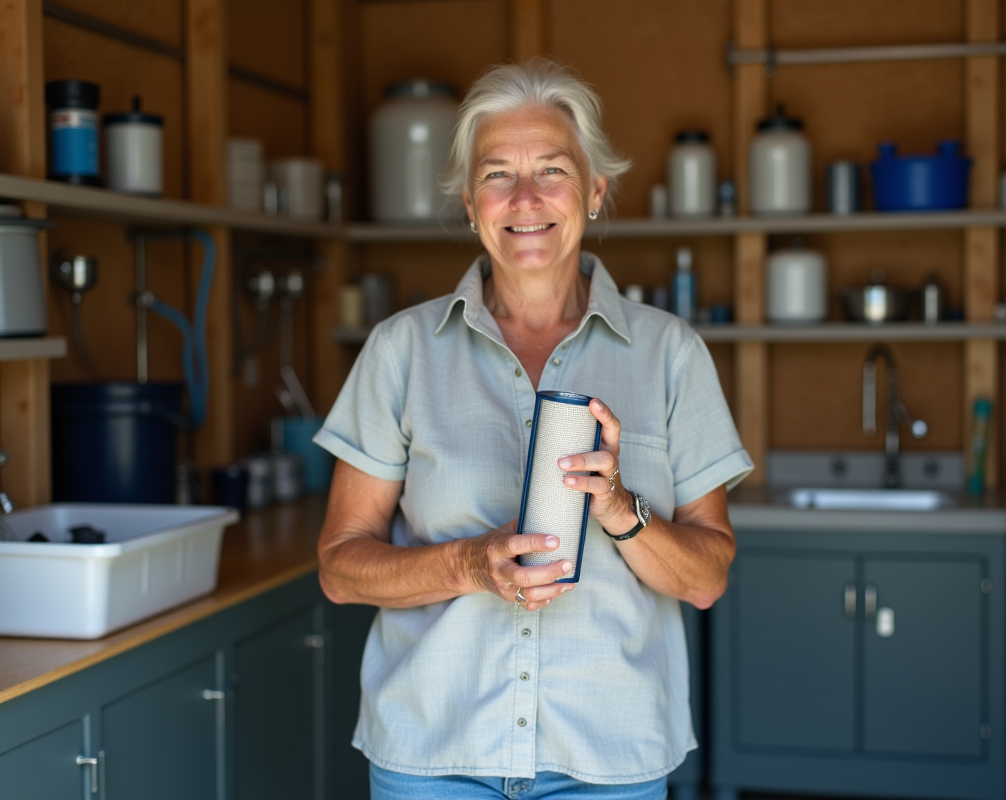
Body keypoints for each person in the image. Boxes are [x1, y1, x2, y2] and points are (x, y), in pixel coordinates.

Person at [314, 58, 753, 800]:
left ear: (594, 189)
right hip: (434, 757)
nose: (524, 198)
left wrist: (619, 507)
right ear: (467, 199)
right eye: (496, 174)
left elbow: (707, 579)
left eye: (551, 169)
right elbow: (339, 567)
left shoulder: (669, 353)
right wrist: (469, 564)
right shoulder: (402, 350)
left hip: (609, 761)